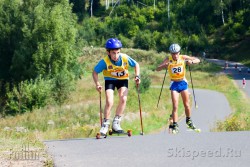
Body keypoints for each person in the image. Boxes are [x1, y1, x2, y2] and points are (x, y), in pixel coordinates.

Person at [92, 38, 140, 136]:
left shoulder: (125, 57)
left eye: (118, 52)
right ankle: (105, 125)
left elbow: (136, 65)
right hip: (110, 80)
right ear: (108, 52)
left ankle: (116, 123)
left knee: (123, 99)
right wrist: (97, 84)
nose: (116, 56)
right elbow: (95, 72)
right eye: (113, 53)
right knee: (109, 101)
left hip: (123, 80)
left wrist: (137, 76)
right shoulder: (104, 62)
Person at [156, 43, 200, 134]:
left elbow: (197, 60)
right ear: (171, 53)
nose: (175, 55)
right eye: (173, 53)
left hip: (183, 82)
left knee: (186, 104)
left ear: (179, 53)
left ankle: (189, 122)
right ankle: (175, 125)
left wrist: (191, 62)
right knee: (175, 106)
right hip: (174, 84)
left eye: (176, 53)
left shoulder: (183, 58)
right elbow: (157, 69)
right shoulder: (168, 59)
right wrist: (164, 65)